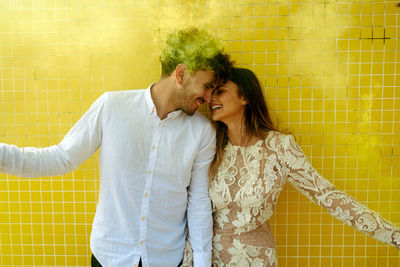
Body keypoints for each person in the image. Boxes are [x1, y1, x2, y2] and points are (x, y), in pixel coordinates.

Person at [0, 28, 233, 267]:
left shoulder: (203, 132)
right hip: (110, 256)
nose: (209, 98)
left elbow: (198, 201)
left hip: (166, 258)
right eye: (207, 86)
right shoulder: (111, 106)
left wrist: (203, 263)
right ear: (181, 74)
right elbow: (61, 158)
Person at [182, 67, 400, 266]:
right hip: (204, 257)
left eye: (220, 91)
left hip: (255, 259)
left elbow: (328, 196)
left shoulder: (279, 148)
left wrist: (394, 235)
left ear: (245, 97)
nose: (210, 99)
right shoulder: (209, 143)